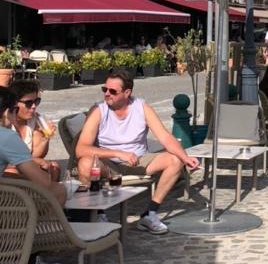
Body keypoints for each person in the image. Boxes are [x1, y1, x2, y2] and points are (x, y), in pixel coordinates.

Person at [75, 69, 200, 235]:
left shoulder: (141, 107)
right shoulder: (98, 110)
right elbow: (81, 149)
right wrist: (118, 153)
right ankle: (97, 214)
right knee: (84, 162)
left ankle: (150, 213)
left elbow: (165, 137)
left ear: (127, 93)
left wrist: (185, 157)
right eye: (104, 89)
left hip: (140, 159)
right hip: (109, 164)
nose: (107, 94)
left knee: (175, 160)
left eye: (112, 91)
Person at [0, 86, 66, 264]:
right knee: (58, 191)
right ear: (7, 111)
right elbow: (42, 182)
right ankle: (27, 258)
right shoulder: (6, 136)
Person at [7, 80, 60, 181]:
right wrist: (37, 162)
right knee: (13, 172)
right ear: (14, 103)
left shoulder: (35, 120)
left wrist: (46, 138)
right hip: (9, 167)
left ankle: (47, 196)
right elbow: (7, 158)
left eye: (36, 101)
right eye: (28, 103)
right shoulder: (5, 122)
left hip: (26, 165)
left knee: (54, 167)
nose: (34, 106)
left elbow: (37, 154)